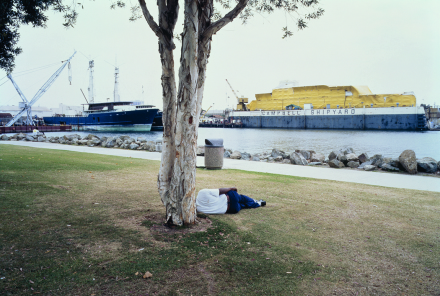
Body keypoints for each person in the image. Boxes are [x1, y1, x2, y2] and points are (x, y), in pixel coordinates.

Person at [196, 187, 266, 214]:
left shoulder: (198, 209)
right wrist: (232, 188)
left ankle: (259, 203)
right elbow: (220, 190)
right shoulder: (202, 193)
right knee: (242, 198)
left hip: (231, 209)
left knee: (243, 206)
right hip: (230, 198)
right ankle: (256, 201)